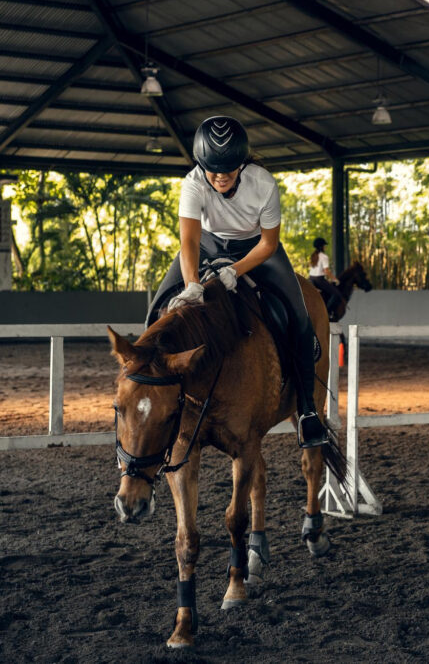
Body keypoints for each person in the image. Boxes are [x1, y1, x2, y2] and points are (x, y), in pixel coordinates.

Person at [146, 115, 328, 449]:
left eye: (227, 170)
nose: (219, 177)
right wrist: (191, 285)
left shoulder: (264, 184)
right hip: (206, 245)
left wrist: (235, 271)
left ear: (241, 165)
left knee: (301, 318)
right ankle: (156, 398)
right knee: (156, 312)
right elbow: (188, 242)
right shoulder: (193, 183)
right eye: (212, 171)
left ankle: (307, 412)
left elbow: (269, 244)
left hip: (256, 248)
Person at [307, 237, 341, 313]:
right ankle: (326, 312)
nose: (325, 247)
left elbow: (316, 269)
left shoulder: (313, 255)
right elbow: (326, 271)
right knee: (336, 294)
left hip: (310, 279)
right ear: (321, 246)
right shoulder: (324, 257)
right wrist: (335, 279)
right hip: (319, 280)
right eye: (324, 245)